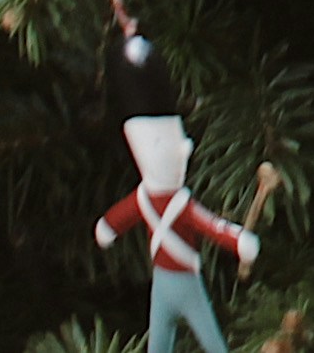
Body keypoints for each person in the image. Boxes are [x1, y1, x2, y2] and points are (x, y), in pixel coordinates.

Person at [93, 109, 258, 353]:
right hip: (179, 284)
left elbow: (115, 220)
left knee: (164, 341)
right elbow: (214, 226)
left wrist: (106, 228)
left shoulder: (146, 199)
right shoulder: (172, 203)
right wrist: (240, 242)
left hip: (166, 282)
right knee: (206, 341)